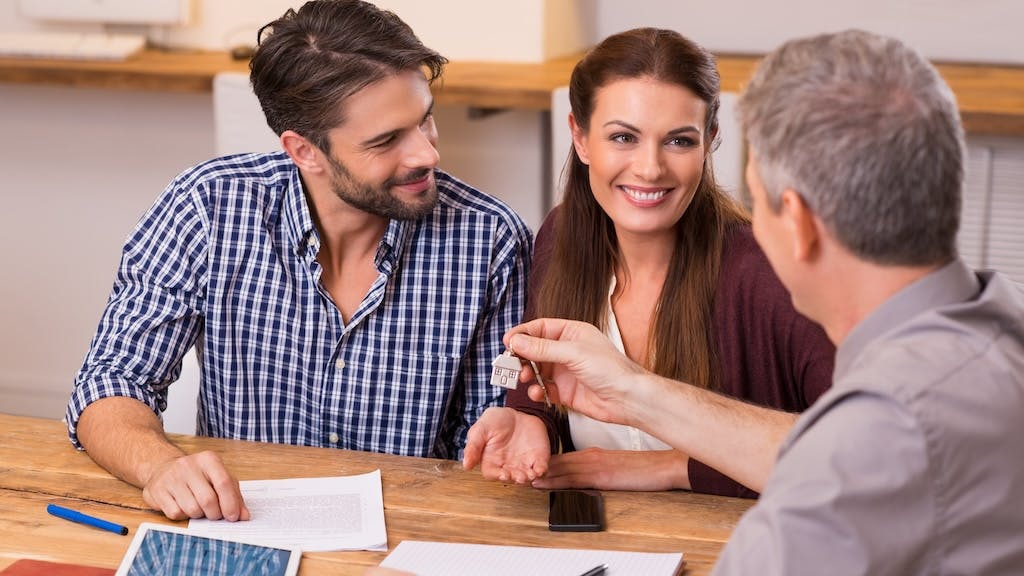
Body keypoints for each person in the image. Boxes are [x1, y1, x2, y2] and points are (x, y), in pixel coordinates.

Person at [479, 29, 1024, 574]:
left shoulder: (872, 439)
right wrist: (611, 397)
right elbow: (831, 448)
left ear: (800, 225)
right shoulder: (1000, 325)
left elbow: (846, 454)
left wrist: (665, 453)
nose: (649, 168)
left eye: (758, 201)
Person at [65, 0, 532, 523]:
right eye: (386, 141)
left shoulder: (490, 240)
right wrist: (160, 467)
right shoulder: (208, 207)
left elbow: (494, 439)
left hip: (413, 534)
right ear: (304, 151)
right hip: (241, 530)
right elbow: (110, 382)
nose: (426, 154)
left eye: (425, 121)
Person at [463, 27, 834, 498]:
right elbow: (544, 388)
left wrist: (671, 467)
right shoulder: (560, 239)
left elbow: (859, 459)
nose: (650, 168)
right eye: (623, 137)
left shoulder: (769, 271)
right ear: (579, 137)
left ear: (710, 141)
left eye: (679, 141)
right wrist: (529, 420)